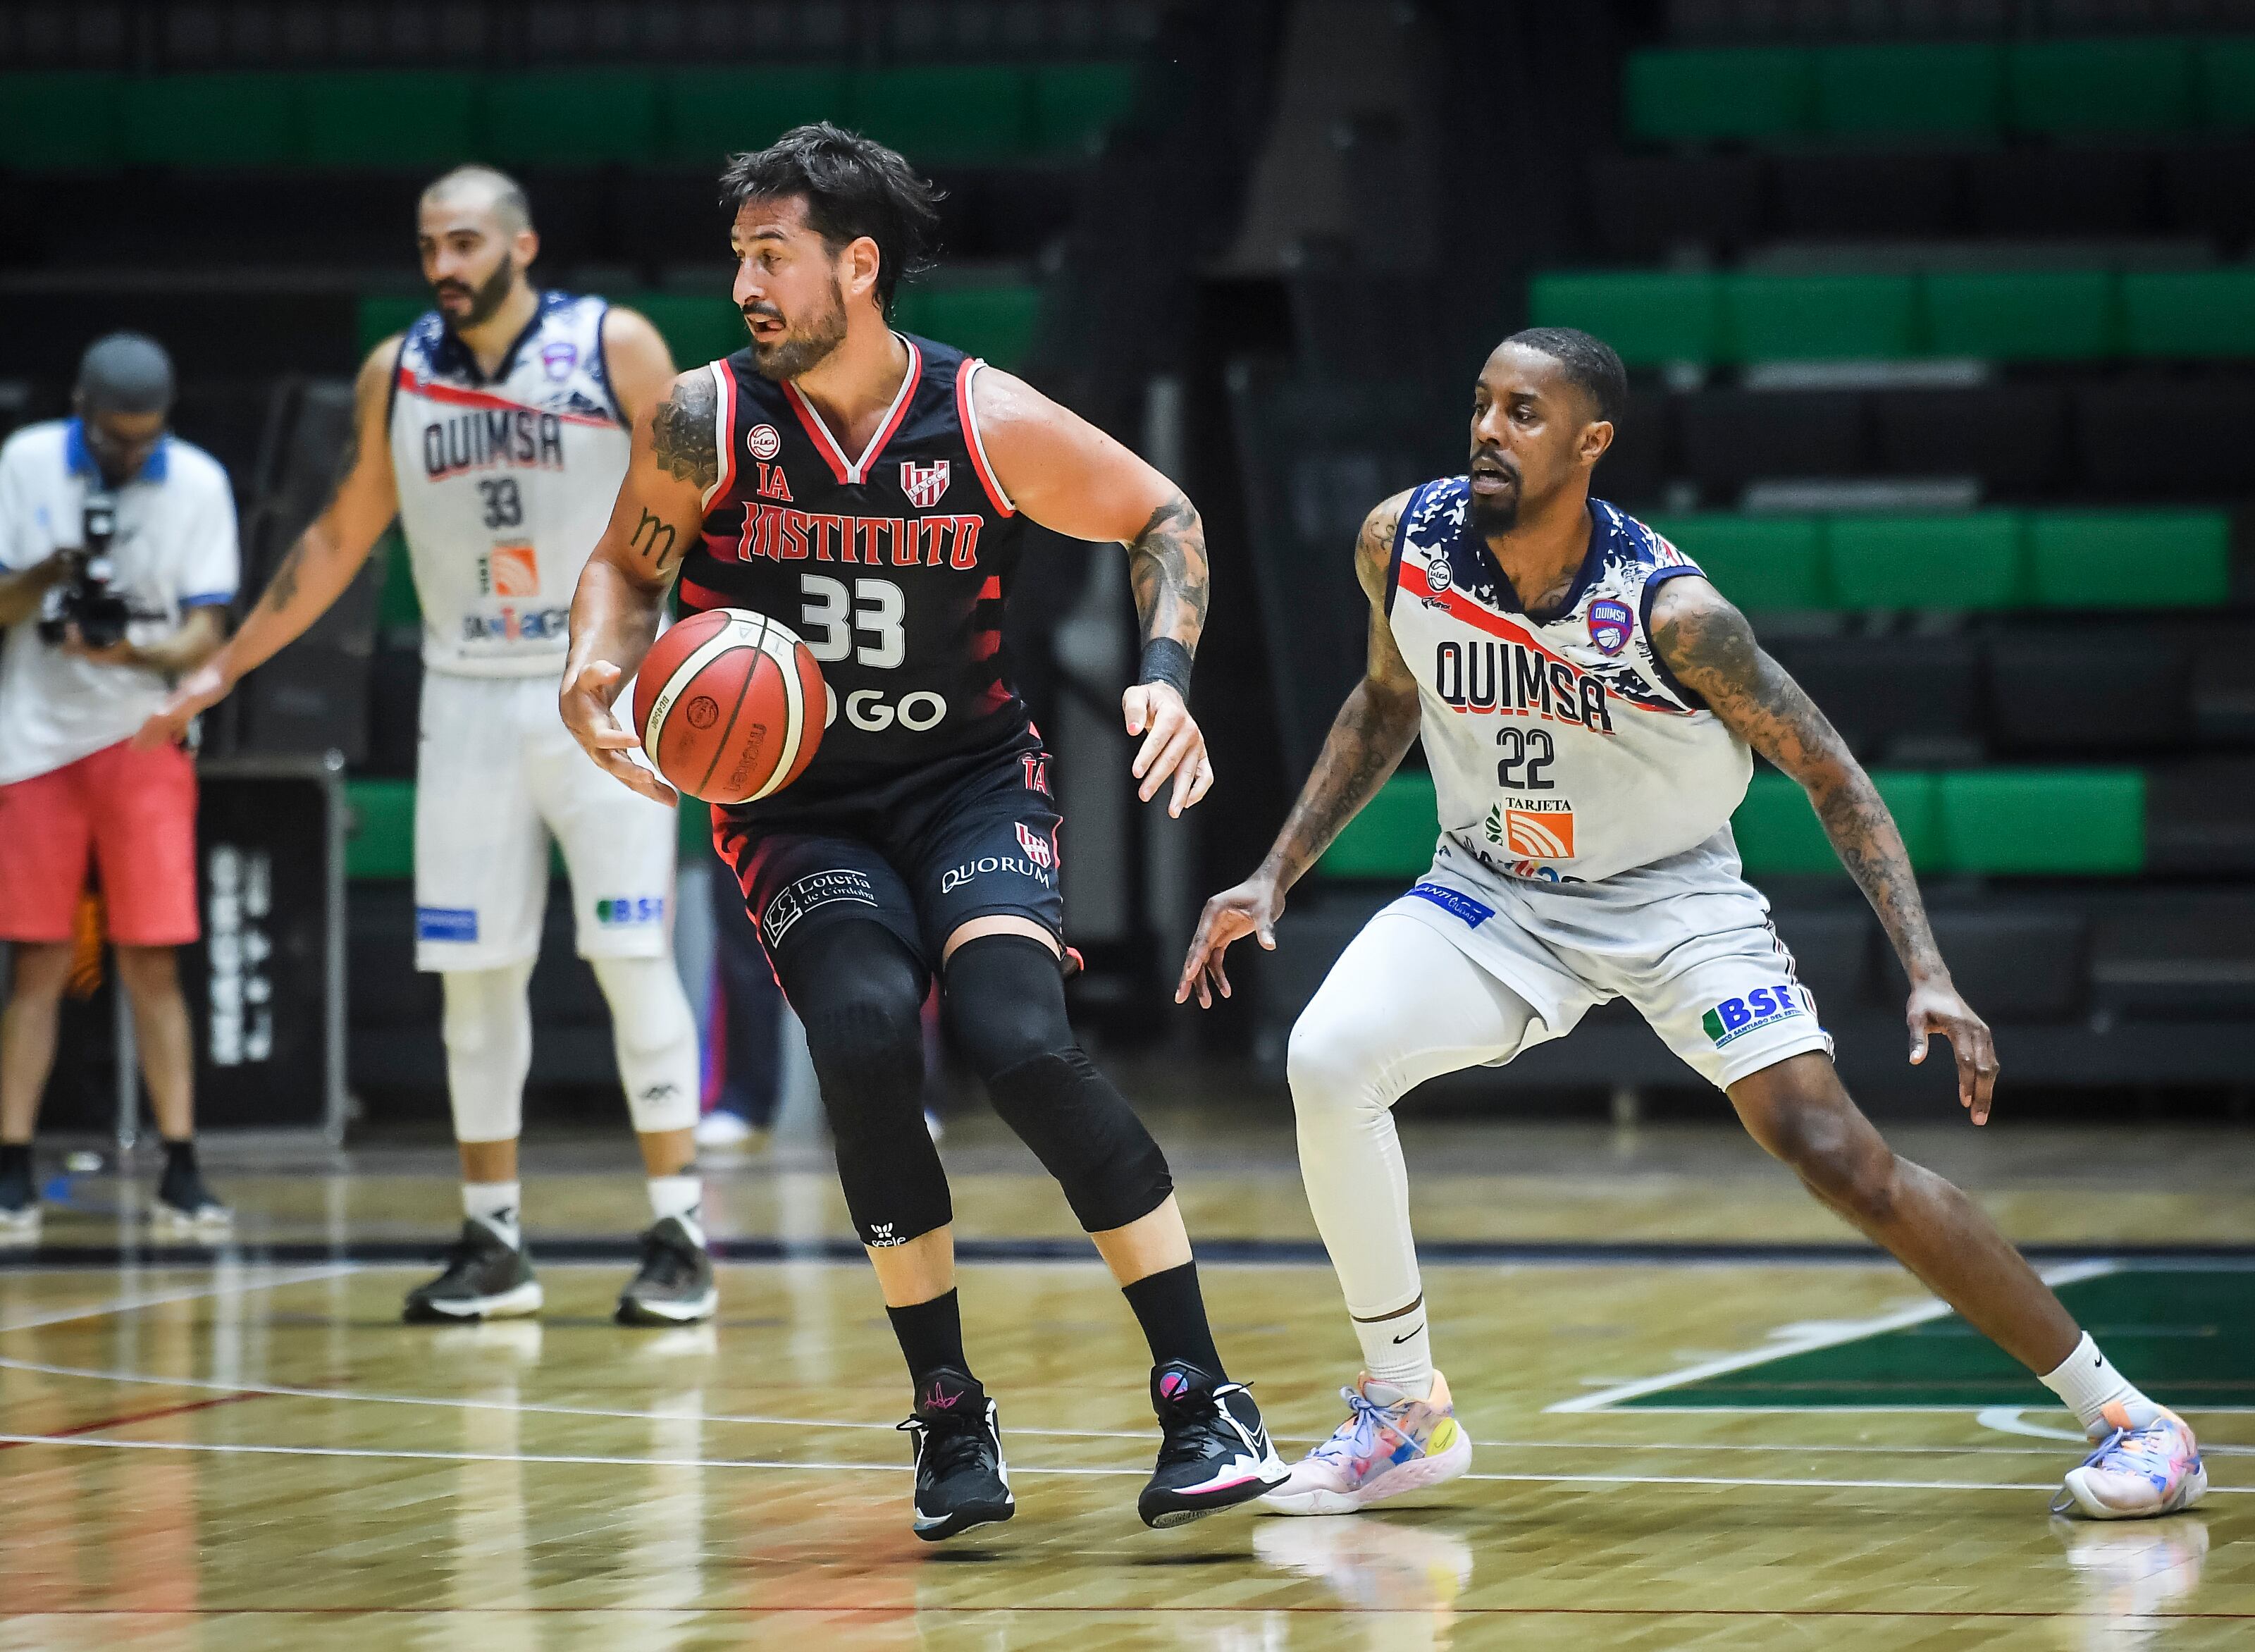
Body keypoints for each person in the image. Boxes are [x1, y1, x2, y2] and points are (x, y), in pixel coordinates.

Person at [1180, 328, 2206, 1524]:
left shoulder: (1675, 614)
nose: (1488, 431)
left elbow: (1832, 773)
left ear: (1590, 442)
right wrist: (1274, 872)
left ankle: (2136, 1418)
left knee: (1831, 1145)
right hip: (1493, 886)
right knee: (1328, 1055)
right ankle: (1406, 1406)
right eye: (1481, 404)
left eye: (1524, 411)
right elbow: (1385, 700)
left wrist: (1928, 969)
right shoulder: (1402, 540)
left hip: (1673, 898)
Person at [560, 124, 1285, 1540]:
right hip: (794, 801)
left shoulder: (980, 416)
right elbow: (622, 570)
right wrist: (595, 662)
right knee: (866, 1033)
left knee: (1019, 1039)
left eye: (774, 256)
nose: (748, 285)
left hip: (966, 779)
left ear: (860, 264)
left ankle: (1200, 1392)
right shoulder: (705, 418)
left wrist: (1168, 673)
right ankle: (947, 1410)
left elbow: (1163, 517)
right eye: (738, 259)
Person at [142, 168, 713, 1326]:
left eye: (462, 243)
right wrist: (225, 663)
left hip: (600, 689)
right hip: (465, 695)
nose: (443, 266)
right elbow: (341, 533)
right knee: (472, 977)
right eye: (428, 247)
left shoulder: (618, 346)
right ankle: (495, 1239)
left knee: (629, 956)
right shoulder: (396, 372)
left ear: (522, 245)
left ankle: (681, 1227)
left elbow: (696, 504)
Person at [0, 334, 235, 1238]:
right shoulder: (24, 464)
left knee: (151, 959)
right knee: (38, 961)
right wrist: (46, 573)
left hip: (144, 735)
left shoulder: (199, 484)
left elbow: (206, 634)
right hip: (36, 741)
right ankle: (14, 1166)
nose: (130, 455)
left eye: (146, 440)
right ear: (81, 411)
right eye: (114, 439)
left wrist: (129, 650)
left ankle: (181, 1166)